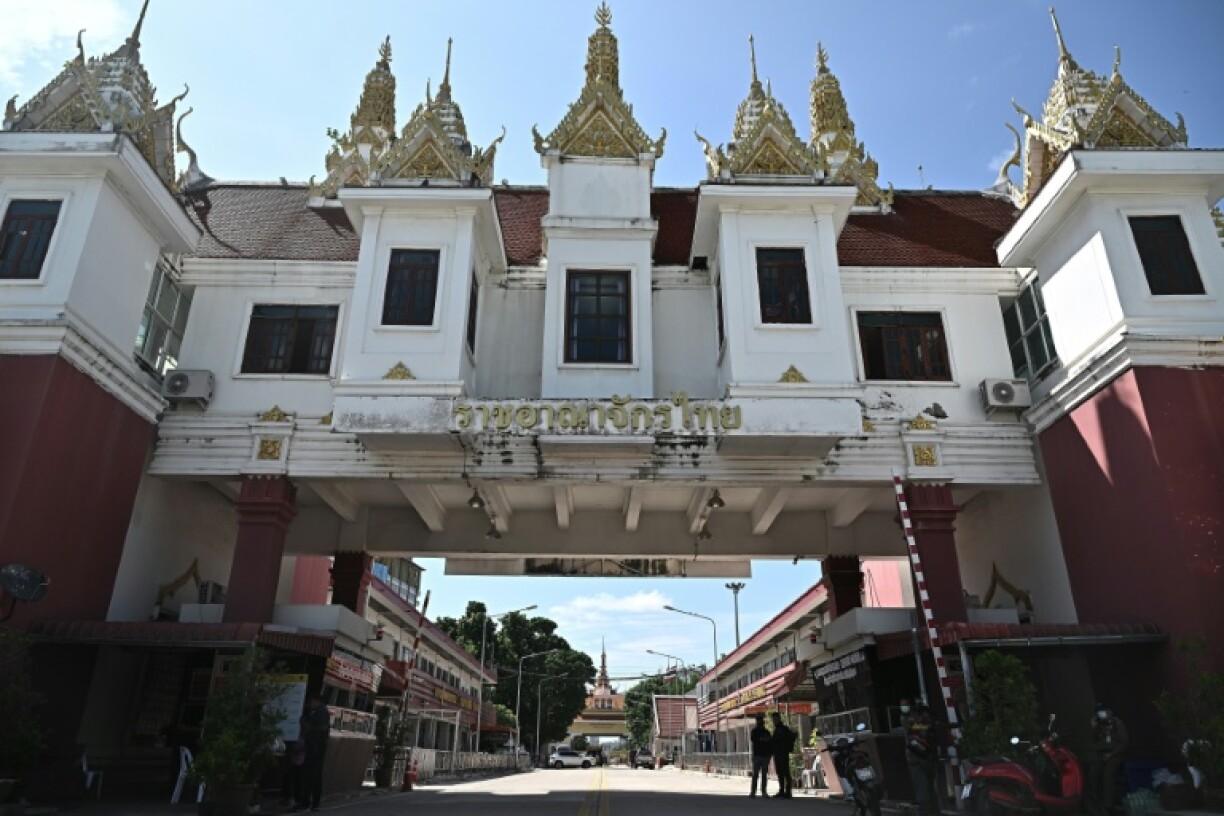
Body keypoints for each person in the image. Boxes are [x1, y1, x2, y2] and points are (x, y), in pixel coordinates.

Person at [1088, 703, 1129, 815]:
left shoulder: (1117, 723)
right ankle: (1096, 803)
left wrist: (1112, 754)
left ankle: (1109, 805)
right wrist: (1094, 727)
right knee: (1093, 773)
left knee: (1108, 774)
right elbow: (1095, 739)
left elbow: (1124, 742)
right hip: (1102, 755)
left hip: (1116, 754)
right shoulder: (1100, 724)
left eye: (1104, 712)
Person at [902, 699, 940, 816]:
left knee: (927, 793)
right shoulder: (911, 720)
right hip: (922, 759)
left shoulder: (912, 720)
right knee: (926, 793)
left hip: (922, 759)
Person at [295, 692, 330, 813]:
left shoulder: (321, 711)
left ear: (316, 701)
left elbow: (323, 728)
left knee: (311, 775)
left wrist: (307, 726)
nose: (309, 705)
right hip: (316, 747)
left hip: (316, 747)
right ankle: (313, 803)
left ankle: (307, 802)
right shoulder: (319, 711)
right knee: (315, 775)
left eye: (310, 702)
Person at [770, 711, 796, 799]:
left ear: (779, 718)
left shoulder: (784, 729)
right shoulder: (776, 729)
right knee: (780, 773)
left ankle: (788, 792)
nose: (774, 721)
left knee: (785, 772)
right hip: (777, 754)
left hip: (783, 753)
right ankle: (782, 791)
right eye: (773, 719)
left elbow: (789, 738)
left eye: (775, 719)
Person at [749, 713, 773, 797]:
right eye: (758, 720)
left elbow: (770, 742)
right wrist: (762, 740)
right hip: (757, 755)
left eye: (760, 720)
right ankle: (753, 791)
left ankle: (763, 791)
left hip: (765, 755)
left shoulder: (766, 732)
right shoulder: (754, 731)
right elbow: (753, 740)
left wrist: (770, 755)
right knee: (755, 774)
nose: (759, 722)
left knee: (763, 775)